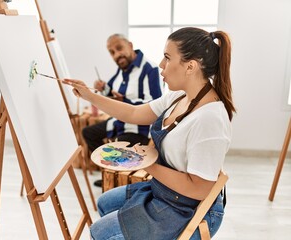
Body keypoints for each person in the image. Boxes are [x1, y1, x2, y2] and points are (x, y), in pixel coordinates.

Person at [65, 27, 235, 239]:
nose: (161, 65)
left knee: (98, 233)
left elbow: (199, 189)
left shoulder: (210, 119)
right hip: (167, 191)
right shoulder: (178, 96)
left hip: (187, 207)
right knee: (104, 203)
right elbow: (135, 113)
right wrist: (90, 96)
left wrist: (146, 163)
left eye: (167, 57)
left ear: (190, 66)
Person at [82, 34, 163, 187]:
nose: (116, 55)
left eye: (119, 48)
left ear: (130, 45)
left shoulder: (150, 69)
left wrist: (123, 101)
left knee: (117, 149)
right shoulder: (121, 71)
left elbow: (156, 104)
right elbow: (112, 95)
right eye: (112, 52)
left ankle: (117, 179)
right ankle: (110, 174)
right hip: (119, 121)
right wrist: (104, 88)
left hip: (140, 126)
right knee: (88, 133)